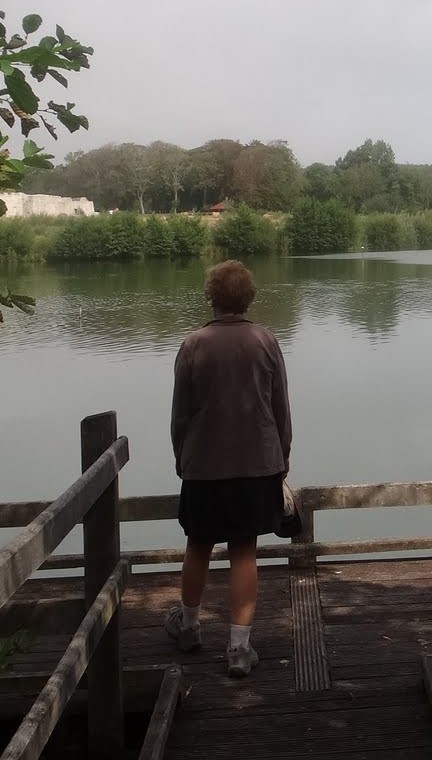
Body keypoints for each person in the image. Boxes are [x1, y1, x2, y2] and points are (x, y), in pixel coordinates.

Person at [165, 260, 292, 677]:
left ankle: (188, 627)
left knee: (198, 543)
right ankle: (239, 650)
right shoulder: (265, 341)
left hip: (203, 464)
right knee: (244, 550)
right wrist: (282, 460)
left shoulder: (193, 345)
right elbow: (280, 409)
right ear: (249, 297)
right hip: (257, 464)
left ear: (211, 298)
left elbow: (180, 415)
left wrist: (182, 458)